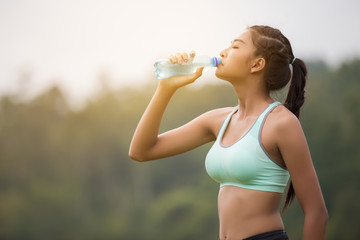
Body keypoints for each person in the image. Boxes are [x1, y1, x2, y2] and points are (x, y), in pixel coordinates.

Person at [129, 25, 328, 240]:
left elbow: (317, 213)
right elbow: (142, 151)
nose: (223, 52)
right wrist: (166, 88)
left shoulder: (281, 123)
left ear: (257, 64)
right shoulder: (218, 120)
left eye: (235, 46)